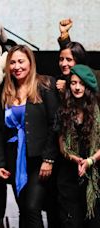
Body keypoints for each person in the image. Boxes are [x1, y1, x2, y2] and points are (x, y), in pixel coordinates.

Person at [0, 45, 60, 228]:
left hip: (38, 160)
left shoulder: (45, 85)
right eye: (12, 62)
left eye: (21, 61)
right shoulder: (6, 91)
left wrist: (49, 159)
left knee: (32, 207)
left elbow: (55, 124)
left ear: (30, 63)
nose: (17, 66)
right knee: (23, 208)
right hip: (14, 159)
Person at [56, 64, 100, 227]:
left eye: (81, 83)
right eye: (73, 83)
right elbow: (62, 147)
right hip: (69, 174)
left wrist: (89, 161)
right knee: (71, 222)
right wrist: (77, 160)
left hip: (95, 175)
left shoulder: (97, 109)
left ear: (88, 86)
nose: (77, 87)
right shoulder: (63, 110)